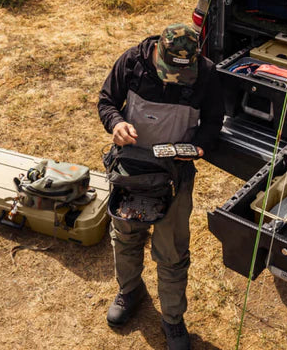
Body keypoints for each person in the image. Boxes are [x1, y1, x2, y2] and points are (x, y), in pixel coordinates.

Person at [98, 23, 224, 350]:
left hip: (174, 176)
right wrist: (116, 123)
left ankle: (171, 319)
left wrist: (200, 145)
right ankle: (130, 291)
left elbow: (214, 121)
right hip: (130, 169)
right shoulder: (132, 61)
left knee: (171, 251)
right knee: (125, 235)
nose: (176, 80)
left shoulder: (207, 75)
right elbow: (106, 101)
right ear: (158, 53)